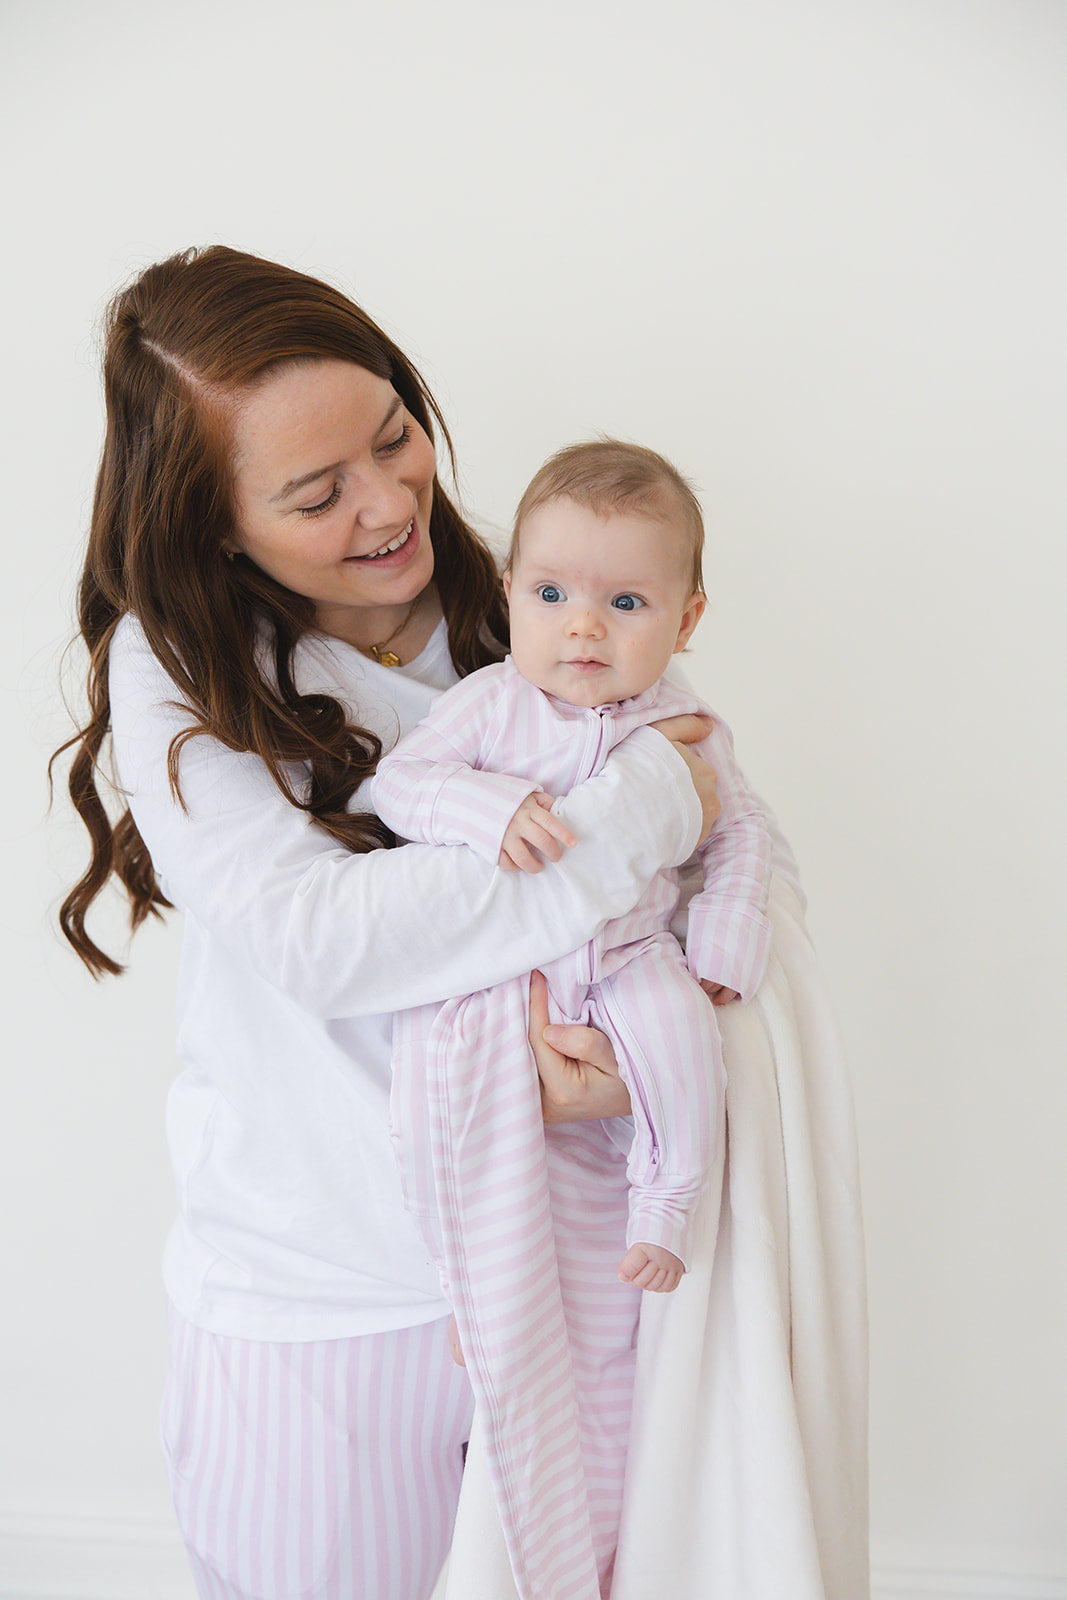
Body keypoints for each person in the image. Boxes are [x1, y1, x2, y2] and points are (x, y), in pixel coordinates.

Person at [52, 245, 723, 1600]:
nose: (387, 502)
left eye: (394, 436)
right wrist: (647, 808)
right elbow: (327, 938)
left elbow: (706, 881)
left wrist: (642, 1055)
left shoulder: (535, 609)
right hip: (329, 1302)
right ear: (215, 529)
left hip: (559, 1271)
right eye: (315, 492)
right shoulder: (180, 670)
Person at [369, 438, 776, 1596]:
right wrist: (482, 806)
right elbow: (399, 787)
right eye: (551, 594)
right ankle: (466, 1285)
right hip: (512, 978)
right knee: (429, 1106)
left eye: (624, 601)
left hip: (636, 953)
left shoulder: (684, 724)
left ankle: (668, 1197)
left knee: (687, 1048)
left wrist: (722, 955)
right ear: (508, 596)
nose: (583, 628)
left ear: (685, 617)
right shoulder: (490, 708)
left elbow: (738, 840)